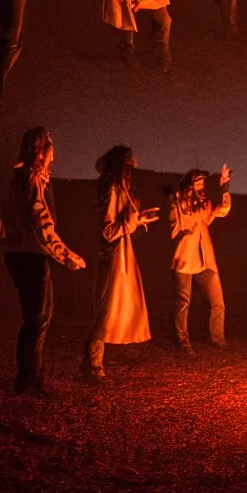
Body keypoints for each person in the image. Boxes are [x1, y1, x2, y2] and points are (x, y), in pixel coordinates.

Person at [0, 128, 86, 395]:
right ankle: (29, 381)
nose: (54, 155)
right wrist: (66, 255)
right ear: (42, 151)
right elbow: (41, 225)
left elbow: (7, 221)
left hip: (18, 254)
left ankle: (28, 378)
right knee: (38, 319)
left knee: (36, 318)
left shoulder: (19, 179)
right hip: (31, 256)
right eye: (51, 148)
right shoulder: (32, 180)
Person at [81, 146, 159, 380]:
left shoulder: (122, 189)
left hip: (122, 252)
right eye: (127, 167)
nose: (130, 171)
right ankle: (92, 364)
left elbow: (124, 222)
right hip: (112, 254)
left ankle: (93, 364)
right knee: (105, 308)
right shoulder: (111, 188)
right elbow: (108, 231)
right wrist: (132, 223)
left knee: (113, 307)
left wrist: (138, 219)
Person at [169, 165, 232, 353]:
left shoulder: (205, 203)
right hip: (186, 258)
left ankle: (219, 339)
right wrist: (186, 227)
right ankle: (183, 342)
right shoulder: (178, 202)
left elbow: (222, 211)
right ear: (190, 184)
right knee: (183, 302)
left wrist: (225, 187)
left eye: (203, 182)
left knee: (218, 301)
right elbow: (174, 229)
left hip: (205, 259)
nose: (201, 185)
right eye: (198, 182)